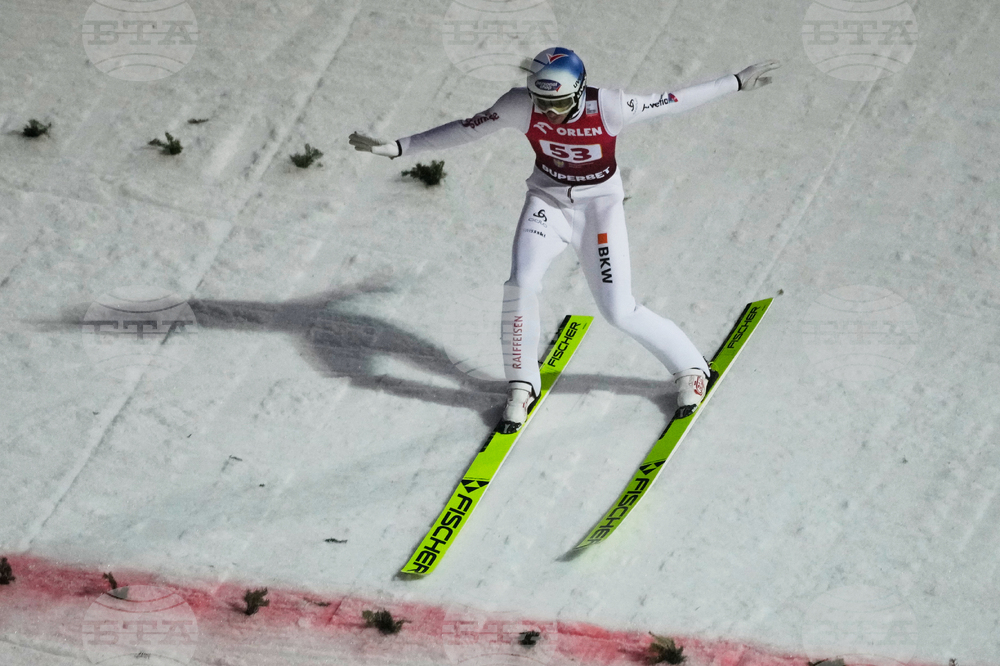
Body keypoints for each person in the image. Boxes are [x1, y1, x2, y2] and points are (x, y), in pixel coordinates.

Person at [350, 47, 778, 434]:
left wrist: (735, 81)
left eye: (558, 103)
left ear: (577, 91)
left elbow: (671, 101)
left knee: (618, 310)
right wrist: (401, 147)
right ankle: (521, 384)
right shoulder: (520, 105)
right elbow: (468, 129)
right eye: (542, 102)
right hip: (547, 204)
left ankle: (690, 368)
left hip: (598, 211)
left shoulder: (609, 105)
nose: (549, 112)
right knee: (521, 283)